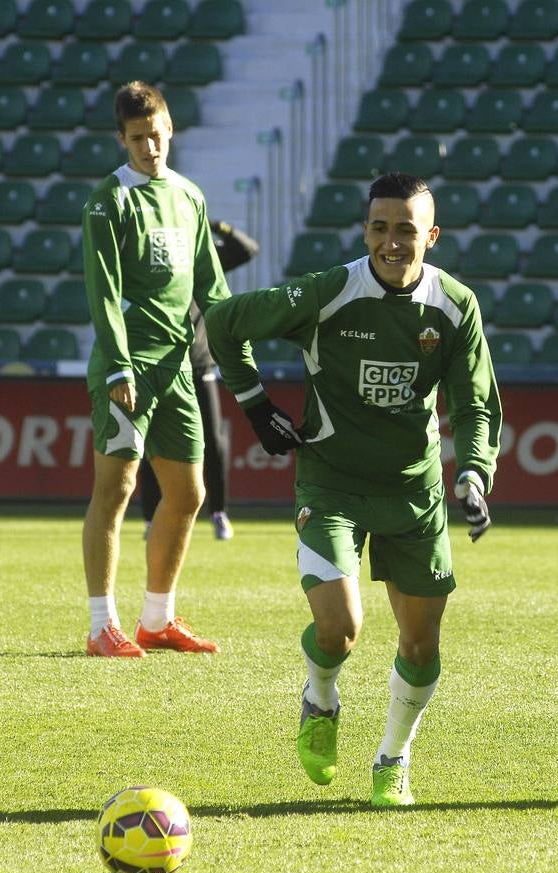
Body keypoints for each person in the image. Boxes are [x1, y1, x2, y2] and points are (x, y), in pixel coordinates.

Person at [205, 172, 502, 806]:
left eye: (405, 229)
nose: (391, 242)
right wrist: (256, 406)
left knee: (421, 645)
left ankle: (394, 757)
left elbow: (475, 402)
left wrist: (474, 471)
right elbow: (226, 321)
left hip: (414, 492)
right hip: (331, 481)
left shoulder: (455, 307)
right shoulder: (330, 291)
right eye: (379, 228)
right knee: (340, 629)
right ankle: (320, 696)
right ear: (366, 230)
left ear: (432, 235)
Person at [82, 81, 237, 658]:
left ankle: (157, 618)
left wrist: (237, 345)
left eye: (157, 135)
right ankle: (102, 625)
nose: (150, 146)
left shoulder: (190, 197)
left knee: (190, 493)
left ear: (171, 131)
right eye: (137, 138)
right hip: (127, 369)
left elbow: (213, 290)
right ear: (122, 139)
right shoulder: (108, 201)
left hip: (177, 369)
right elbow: (103, 294)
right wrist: (119, 365)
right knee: (117, 487)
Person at [139, 220, 259, 541]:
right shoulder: (156, 262)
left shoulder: (203, 259)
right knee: (154, 444)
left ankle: (219, 513)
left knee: (214, 442)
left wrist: (218, 226)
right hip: (161, 365)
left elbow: (247, 249)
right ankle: (151, 519)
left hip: (198, 365)